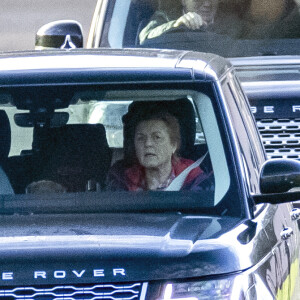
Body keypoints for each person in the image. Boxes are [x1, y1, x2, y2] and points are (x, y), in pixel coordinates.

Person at [106, 109, 211, 191]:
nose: (148, 144)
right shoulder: (120, 179)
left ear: (173, 145)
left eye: (157, 137)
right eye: (141, 138)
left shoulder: (195, 180)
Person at [139, 0, 243, 45]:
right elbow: (145, 38)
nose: (207, 4)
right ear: (183, 1)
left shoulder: (231, 22)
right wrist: (176, 25)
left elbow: (255, 40)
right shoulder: (165, 17)